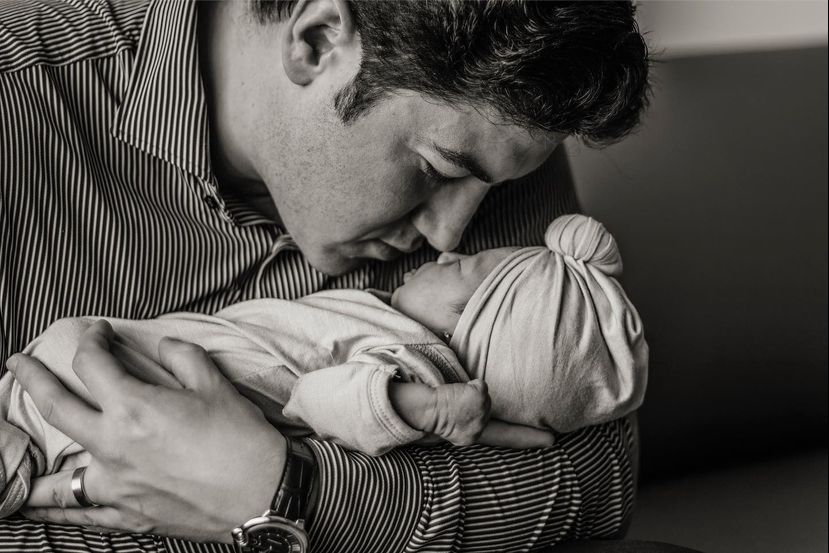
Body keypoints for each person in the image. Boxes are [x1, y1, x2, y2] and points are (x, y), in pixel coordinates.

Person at [0, 0, 655, 551]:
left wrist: (286, 490)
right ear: (317, 41)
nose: (449, 238)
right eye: (437, 171)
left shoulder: (491, 129)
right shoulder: (19, 105)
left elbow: (595, 475)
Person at [0, 214, 649, 518]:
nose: (449, 250)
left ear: (465, 330)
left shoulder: (413, 355)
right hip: (117, 377)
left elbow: (321, 397)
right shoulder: (392, 322)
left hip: (124, 378)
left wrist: (417, 408)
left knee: (27, 415)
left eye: (468, 270)